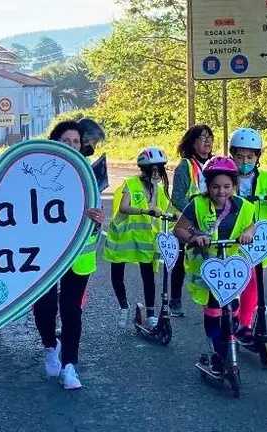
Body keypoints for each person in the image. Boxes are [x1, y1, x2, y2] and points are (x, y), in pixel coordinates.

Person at [35, 120, 104, 391]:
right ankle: (51, 346)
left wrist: (98, 218)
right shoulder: (40, 174)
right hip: (46, 254)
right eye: (67, 141)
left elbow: (97, 211)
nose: (73, 146)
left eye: (77, 141)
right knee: (44, 309)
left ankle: (70, 366)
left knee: (72, 311)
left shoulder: (90, 174)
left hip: (79, 256)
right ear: (56, 144)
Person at [173, 156, 255, 376]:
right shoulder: (197, 204)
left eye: (227, 186)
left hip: (232, 268)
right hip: (207, 270)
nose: (221, 192)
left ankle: (230, 335)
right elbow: (178, 230)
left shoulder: (244, 207)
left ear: (234, 186)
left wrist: (248, 233)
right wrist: (194, 238)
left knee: (231, 309)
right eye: (215, 187)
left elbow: (251, 226)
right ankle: (215, 351)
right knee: (213, 309)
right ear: (207, 186)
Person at [228, 128, 267, 344]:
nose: (245, 161)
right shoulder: (224, 176)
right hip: (233, 239)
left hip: (258, 242)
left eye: (250, 156)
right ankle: (234, 311)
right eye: (240, 156)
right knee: (236, 278)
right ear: (232, 155)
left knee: (253, 279)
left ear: (257, 157)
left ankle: (244, 325)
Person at [104, 147, 174, 328]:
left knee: (148, 275)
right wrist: (145, 210)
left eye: (160, 169)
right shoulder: (131, 184)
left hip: (144, 240)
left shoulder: (158, 190)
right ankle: (123, 306)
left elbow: (169, 210)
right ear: (144, 168)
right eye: (154, 169)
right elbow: (123, 207)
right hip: (122, 238)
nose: (157, 173)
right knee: (117, 274)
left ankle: (151, 314)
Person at [169, 125, 215, 317]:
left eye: (210, 137)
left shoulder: (216, 164)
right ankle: (175, 300)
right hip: (186, 221)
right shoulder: (185, 166)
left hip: (210, 222)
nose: (207, 141)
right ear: (192, 142)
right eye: (202, 138)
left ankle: (214, 299)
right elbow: (177, 197)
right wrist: (194, 212)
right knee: (180, 261)